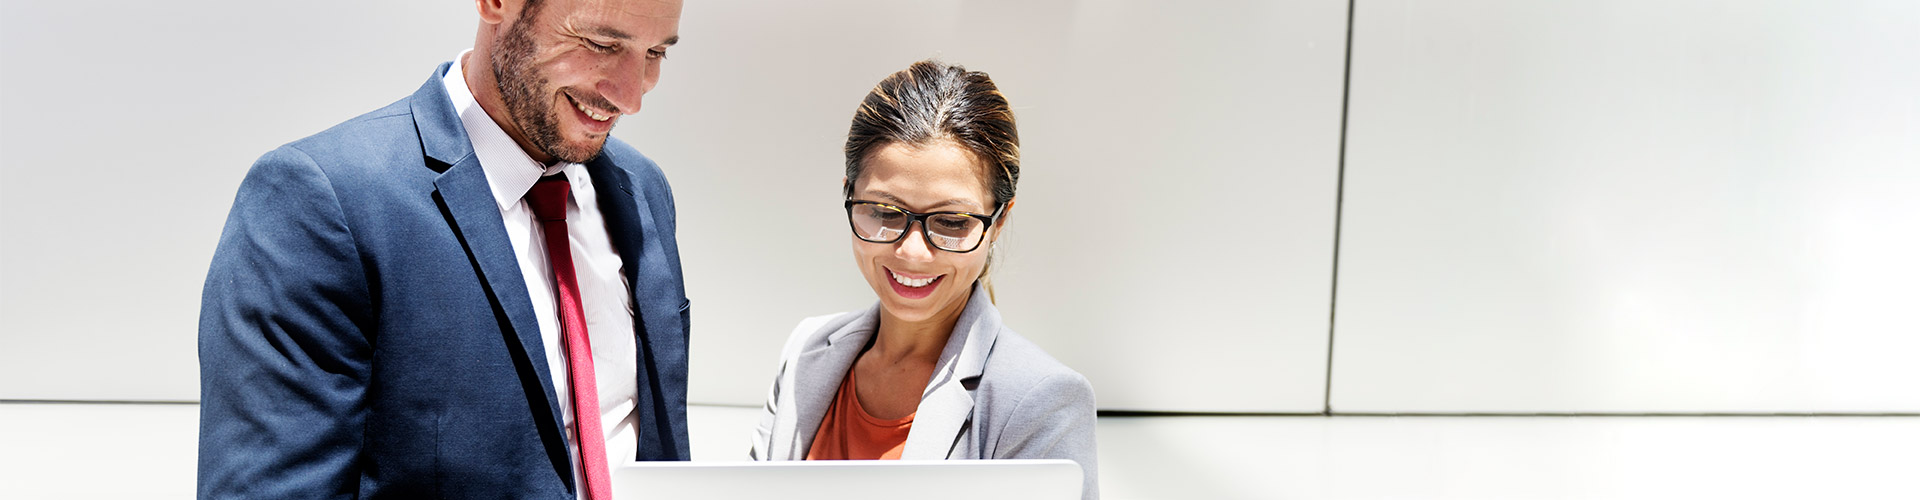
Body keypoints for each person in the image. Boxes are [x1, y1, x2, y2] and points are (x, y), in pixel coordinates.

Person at [197, 0, 688, 498]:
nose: (631, 97)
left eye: (654, 54)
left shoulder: (642, 190)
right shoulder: (318, 201)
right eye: (601, 44)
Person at [749, 60, 1100, 499]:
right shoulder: (807, 349)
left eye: (952, 221)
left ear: (998, 222)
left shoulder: (1041, 400)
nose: (912, 252)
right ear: (849, 195)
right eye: (884, 212)